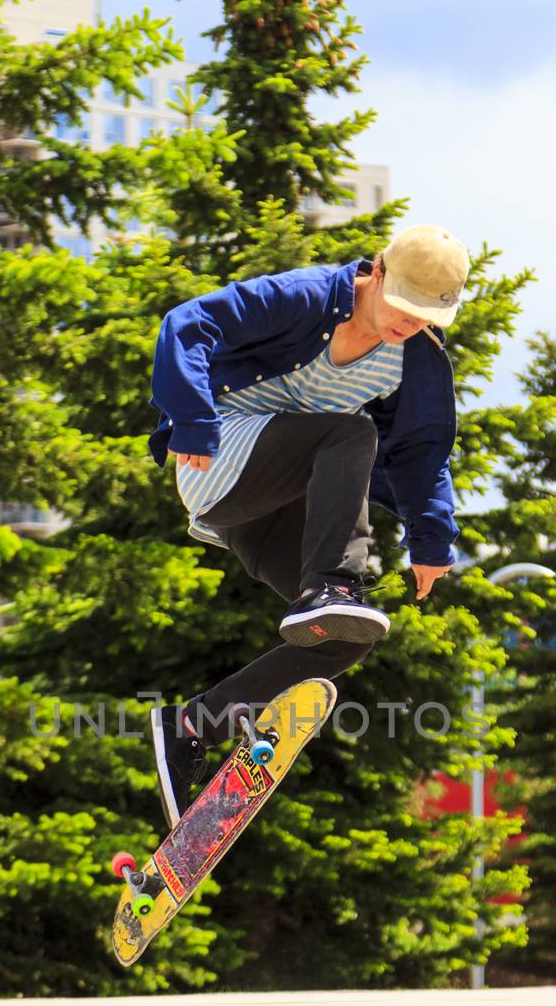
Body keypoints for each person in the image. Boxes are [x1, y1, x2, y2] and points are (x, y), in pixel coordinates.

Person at [145, 225, 469, 827]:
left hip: (272, 501)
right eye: (402, 306)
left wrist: (432, 539)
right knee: (350, 431)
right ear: (377, 272)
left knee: (346, 635)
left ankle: (193, 724)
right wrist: (189, 417)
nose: (407, 324)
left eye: (425, 317)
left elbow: (424, 451)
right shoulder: (309, 295)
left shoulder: (418, 357)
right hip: (218, 456)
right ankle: (330, 583)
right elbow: (188, 323)